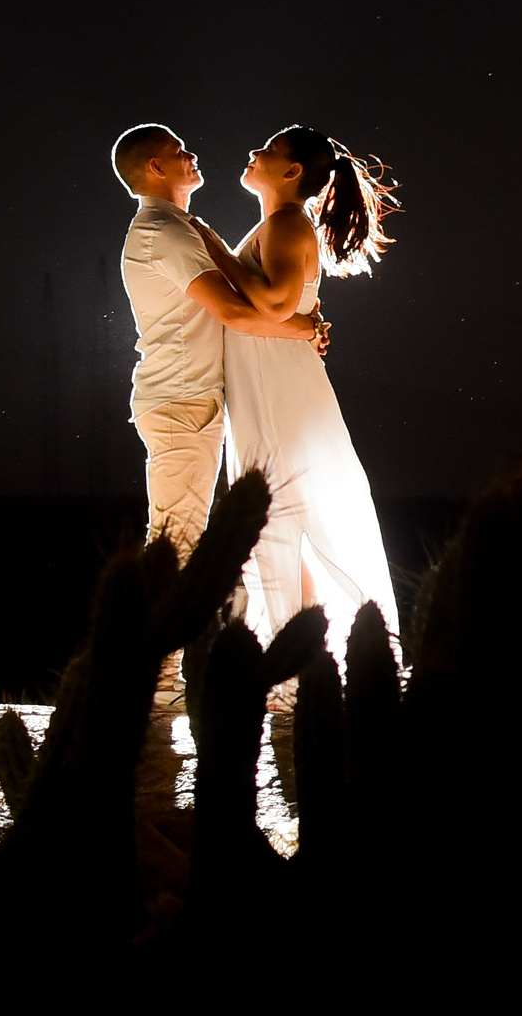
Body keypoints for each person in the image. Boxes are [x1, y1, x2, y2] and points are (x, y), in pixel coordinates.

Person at [112, 123, 327, 704]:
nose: (191, 155)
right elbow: (233, 311)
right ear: (156, 168)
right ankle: (156, 683)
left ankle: (159, 677)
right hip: (182, 402)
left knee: (180, 535)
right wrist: (303, 329)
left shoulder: (179, 228)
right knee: (175, 539)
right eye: (178, 151)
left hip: (189, 399)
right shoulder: (164, 231)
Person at [203, 125, 400, 661]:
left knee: (280, 513)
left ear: (291, 172)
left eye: (266, 149)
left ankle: (297, 666)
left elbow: (276, 304)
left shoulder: (288, 222)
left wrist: (214, 251)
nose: (253, 152)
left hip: (277, 384)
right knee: (281, 518)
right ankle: (302, 657)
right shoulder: (280, 222)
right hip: (270, 377)